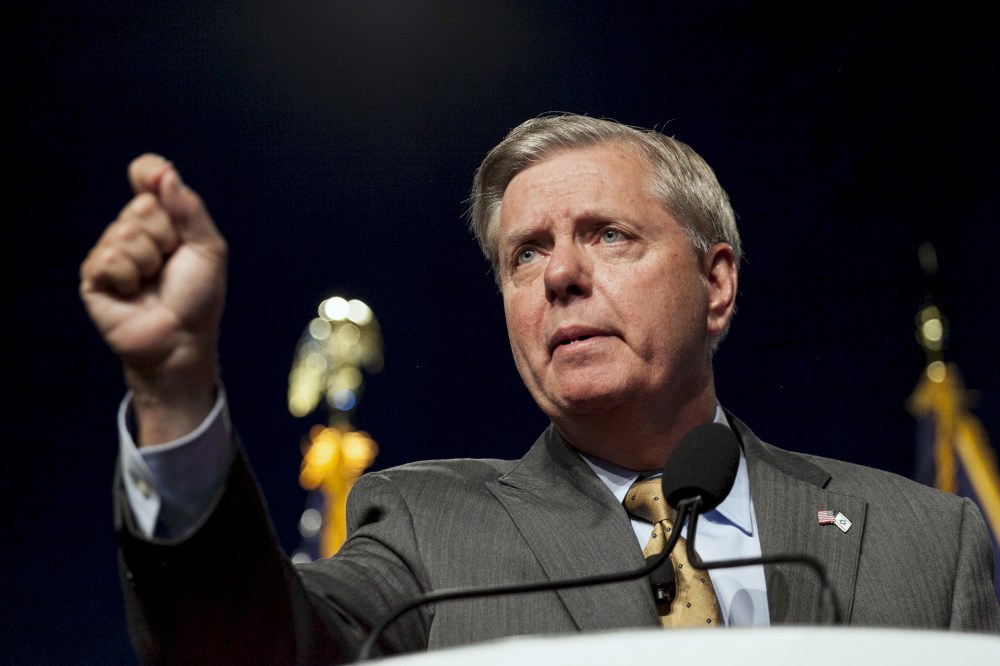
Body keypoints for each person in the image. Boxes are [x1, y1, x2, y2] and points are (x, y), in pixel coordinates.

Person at [80, 114, 1000, 664]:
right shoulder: (429, 529)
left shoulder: (929, 539)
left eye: (606, 235)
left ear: (716, 283)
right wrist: (172, 394)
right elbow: (244, 652)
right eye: (525, 255)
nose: (559, 276)